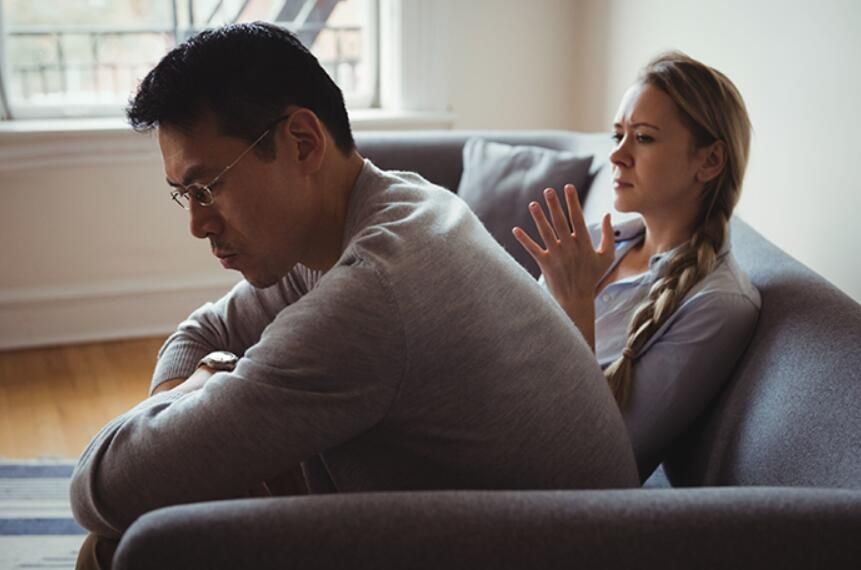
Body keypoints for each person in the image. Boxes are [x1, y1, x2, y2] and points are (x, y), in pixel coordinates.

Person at [70, 22, 638, 569]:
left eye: (208, 186)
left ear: (302, 141)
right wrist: (197, 388)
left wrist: (204, 388)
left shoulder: (375, 292)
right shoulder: (398, 206)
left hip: (558, 549)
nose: (197, 223)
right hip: (532, 531)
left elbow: (100, 486)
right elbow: (205, 333)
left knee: (122, 544)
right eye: (184, 195)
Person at [513, 52, 761, 482]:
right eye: (618, 136)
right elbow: (510, 353)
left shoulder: (718, 305)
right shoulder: (592, 242)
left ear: (710, 162)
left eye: (643, 138)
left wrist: (575, 308)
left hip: (525, 480)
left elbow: (600, 466)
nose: (617, 157)